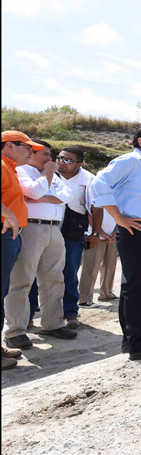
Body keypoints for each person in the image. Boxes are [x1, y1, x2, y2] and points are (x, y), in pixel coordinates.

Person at [90, 126, 141, 360]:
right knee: (136, 287)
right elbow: (98, 184)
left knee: (135, 287)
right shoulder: (128, 162)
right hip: (136, 229)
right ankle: (140, 344)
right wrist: (118, 217)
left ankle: (132, 339)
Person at [5, 138, 76, 350]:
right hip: (31, 228)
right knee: (22, 280)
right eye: (44, 154)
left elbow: (67, 195)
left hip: (55, 229)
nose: (49, 159)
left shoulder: (52, 174)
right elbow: (33, 193)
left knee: (54, 278)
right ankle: (15, 330)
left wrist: (45, 195)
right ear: (31, 153)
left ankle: (52, 323)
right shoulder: (23, 170)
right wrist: (47, 179)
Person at [1, 131, 41, 368]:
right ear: (8, 146)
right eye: (26, 147)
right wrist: (7, 214)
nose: (30, 151)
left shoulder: (10, 166)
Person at [56, 147, 94, 329]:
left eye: (68, 160)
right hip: (49, 228)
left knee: (70, 271)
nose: (62, 162)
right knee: (35, 272)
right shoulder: (47, 173)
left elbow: (96, 208)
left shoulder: (88, 179)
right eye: (60, 158)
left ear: (80, 164)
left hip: (73, 231)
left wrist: (95, 233)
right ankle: (32, 311)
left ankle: (70, 312)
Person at [78, 183, 118, 307]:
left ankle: (106, 293)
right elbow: (89, 213)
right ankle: (85, 298)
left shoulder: (117, 191)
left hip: (112, 234)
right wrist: (100, 232)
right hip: (94, 234)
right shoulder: (93, 188)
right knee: (91, 267)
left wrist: (115, 231)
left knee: (110, 265)